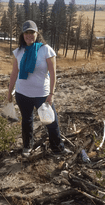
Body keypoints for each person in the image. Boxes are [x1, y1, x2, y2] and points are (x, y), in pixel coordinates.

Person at [7, 20, 71, 157]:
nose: (29, 35)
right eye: (26, 33)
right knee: (26, 121)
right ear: (22, 35)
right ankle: (27, 147)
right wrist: (9, 91)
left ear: (37, 33)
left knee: (51, 122)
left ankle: (57, 148)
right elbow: (14, 73)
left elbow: (53, 73)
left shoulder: (46, 49)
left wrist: (51, 94)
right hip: (22, 93)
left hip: (42, 94)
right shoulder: (18, 52)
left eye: (32, 32)